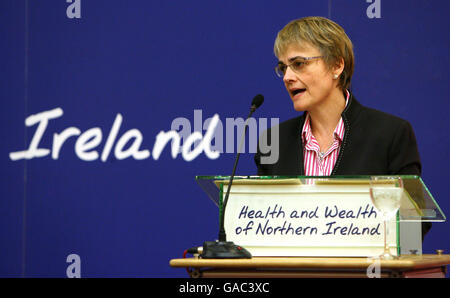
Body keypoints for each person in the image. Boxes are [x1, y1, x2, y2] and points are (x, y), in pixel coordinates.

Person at [254, 16, 431, 237]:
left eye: (298, 64)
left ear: (337, 65)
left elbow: (414, 225)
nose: (288, 77)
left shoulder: (390, 135)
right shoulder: (273, 141)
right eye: (283, 67)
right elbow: (260, 223)